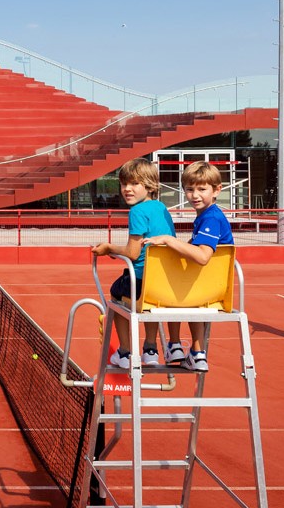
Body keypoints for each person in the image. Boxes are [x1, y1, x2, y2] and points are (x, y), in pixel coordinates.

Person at [147, 160, 233, 372]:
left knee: (168, 287)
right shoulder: (205, 216)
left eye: (202, 189)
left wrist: (168, 240)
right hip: (204, 291)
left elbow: (203, 256)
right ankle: (195, 353)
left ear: (217, 190)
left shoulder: (211, 218)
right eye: (190, 189)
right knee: (185, 292)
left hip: (208, 289)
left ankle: (173, 344)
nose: (195, 195)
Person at [91, 158, 174, 368]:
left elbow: (133, 253)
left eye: (134, 184)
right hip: (162, 281)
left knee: (115, 294)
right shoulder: (162, 208)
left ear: (150, 185)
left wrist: (109, 248)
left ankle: (125, 352)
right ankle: (150, 348)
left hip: (139, 279)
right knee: (151, 303)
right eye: (124, 184)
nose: (127, 189)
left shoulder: (137, 211)